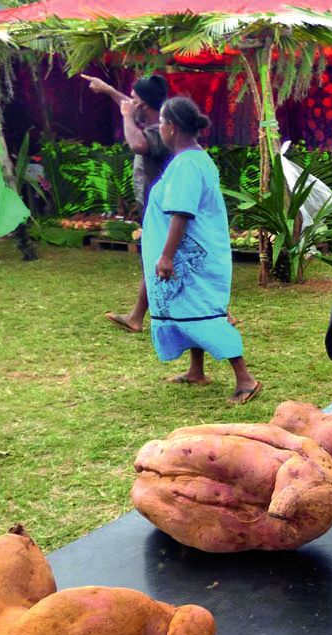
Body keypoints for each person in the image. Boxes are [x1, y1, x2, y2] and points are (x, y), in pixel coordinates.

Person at [140, 97, 258, 404]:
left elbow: (181, 212)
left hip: (190, 257)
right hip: (191, 254)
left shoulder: (188, 164)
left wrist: (166, 255)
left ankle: (245, 378)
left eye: (161, 123)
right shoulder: (192, 159)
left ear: (171, 127)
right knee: (187, 309)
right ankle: (196, 370)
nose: (159, 128)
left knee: (203, 313)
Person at [82, 72, 172, 333]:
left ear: (143, 104)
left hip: (162, 207)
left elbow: (137, 144)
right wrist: (108, 89)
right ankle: (136, 316)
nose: (129, 102)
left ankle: (136, 318)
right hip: (157, 207)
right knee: (160, 258)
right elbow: (131, 106)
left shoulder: (159, 132)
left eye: (134, 98)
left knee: (159, 258)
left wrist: (126, 117)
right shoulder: (160, 120)